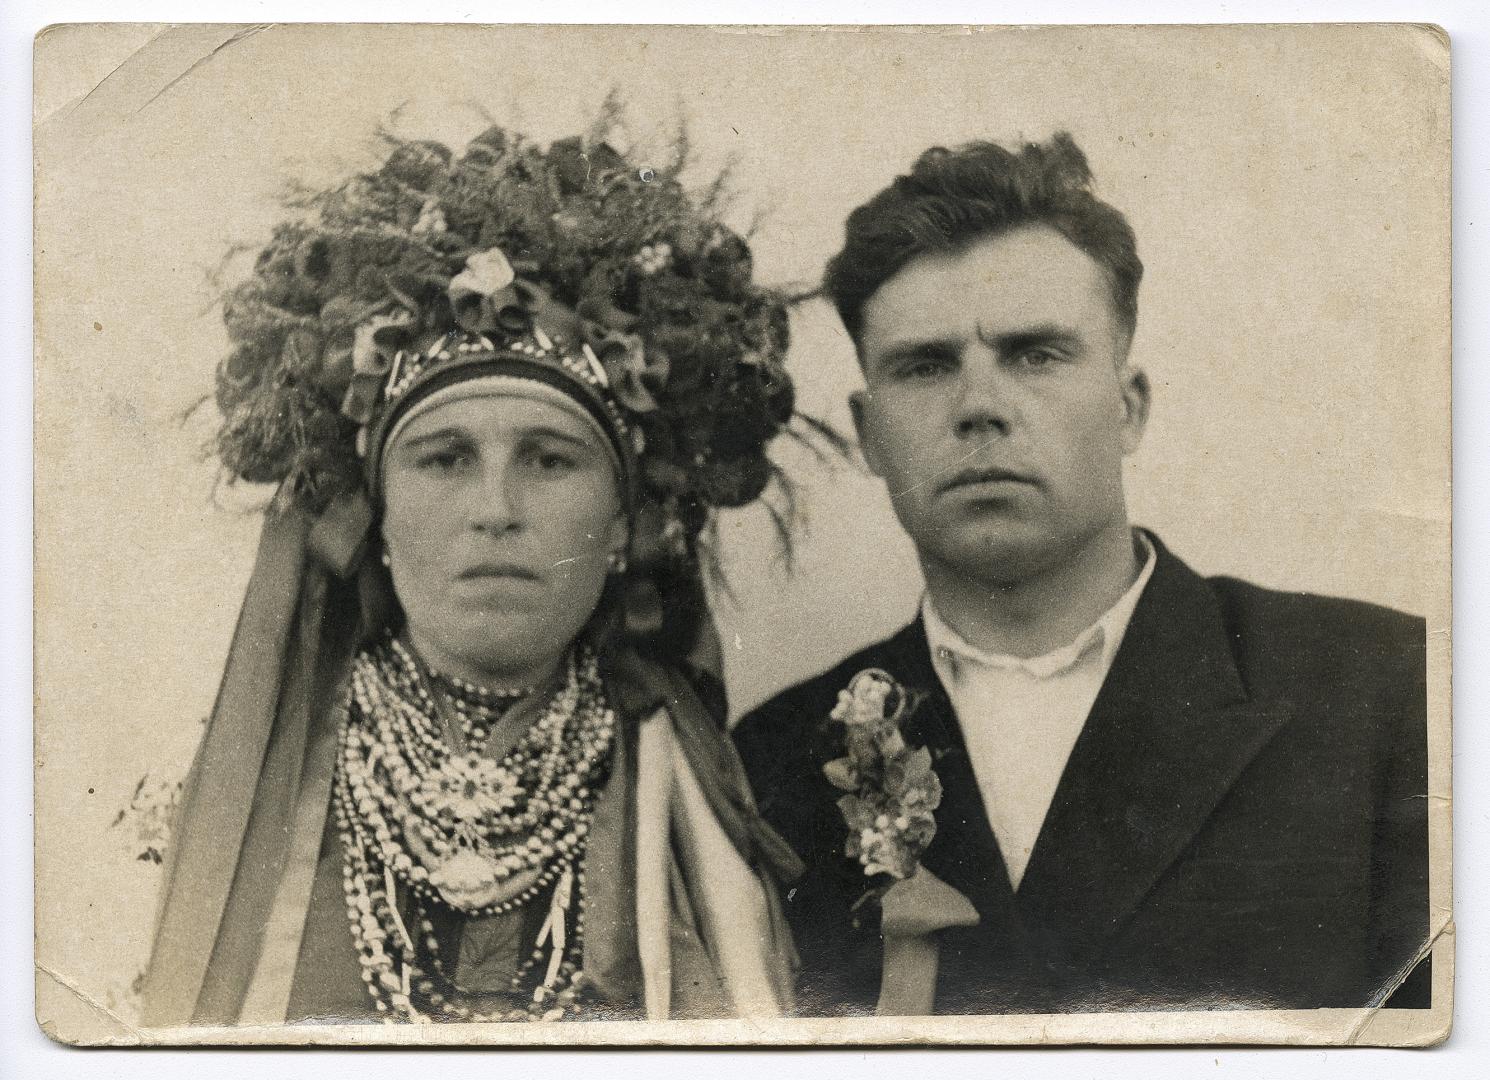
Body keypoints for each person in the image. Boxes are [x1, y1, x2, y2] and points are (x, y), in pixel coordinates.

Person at [733, 133, 1429, 1016]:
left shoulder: (1387, 691)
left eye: (1036, 354)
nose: (980, 407)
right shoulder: (775, 761)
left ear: (1128, 406)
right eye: (926, 365)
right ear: (870, 435)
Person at [140, 124, 808, 1027]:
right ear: (374, 520)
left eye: (549, 460)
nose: (496, 508)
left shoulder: (691, 801)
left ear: (623, 524)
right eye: (445, 460)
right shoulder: (260, 800)